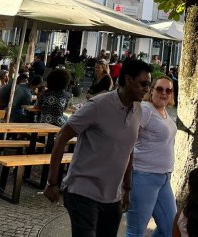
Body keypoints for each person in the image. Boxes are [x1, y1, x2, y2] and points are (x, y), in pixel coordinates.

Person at [44, 59, 152, 237]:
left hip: (112, 197)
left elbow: (129, 149)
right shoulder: (98, 105)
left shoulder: (138, 110)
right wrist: (52, 182)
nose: (147, 89)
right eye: (144, 84)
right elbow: (62, 136)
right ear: (128, 80)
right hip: (83, 192)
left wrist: (127, 188)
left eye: (149, 85)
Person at [126, 76, 177, 237]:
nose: (164, 93)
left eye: (168, 90)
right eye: (160, 89)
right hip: (143, 177)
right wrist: (125, 180)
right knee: (136, 231)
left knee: (170, 229)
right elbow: (127, 141)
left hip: (164, 178)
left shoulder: (163, 112)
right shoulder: (146, 109)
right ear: (151, 90)